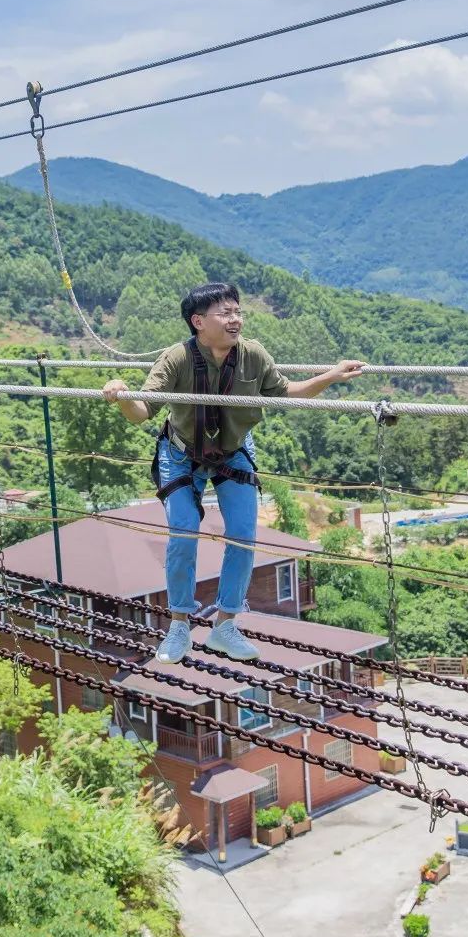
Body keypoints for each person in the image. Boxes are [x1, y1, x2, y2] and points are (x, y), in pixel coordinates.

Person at [103, 282, 363, 663]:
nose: (235, 319)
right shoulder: (175, 358)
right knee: (183, 533)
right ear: (198, 321)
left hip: (233, 450)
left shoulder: (252, 354)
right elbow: (142, 412)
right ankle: (179, 625)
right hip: (181, 454)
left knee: (243, 535)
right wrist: (122, 396)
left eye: (238, 311)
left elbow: (287, 393)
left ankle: (225, 625)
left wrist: (331, 376)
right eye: (225, 313)